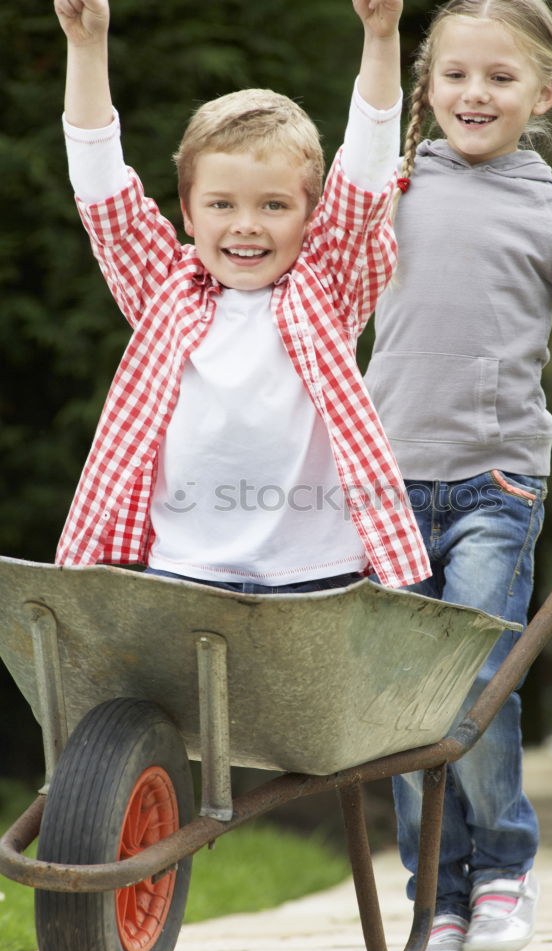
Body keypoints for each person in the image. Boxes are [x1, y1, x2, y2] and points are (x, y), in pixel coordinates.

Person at [363, 0, 552, 951]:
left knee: (478, 682)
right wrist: (376, 35)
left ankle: (504, 869)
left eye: (499, 77)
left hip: (497, 484)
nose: (474, 94)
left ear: (543, 94)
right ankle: (435, 897)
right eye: (455, 75)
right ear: (427, 85)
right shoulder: (386, 191)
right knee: (408, 701)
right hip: (388, 485)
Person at [52, 0, 430, 593]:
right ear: (188, 214)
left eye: (274, 206)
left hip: (315, 574)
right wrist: (85, 47)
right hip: (183, 567)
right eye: (222, 204)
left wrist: (381, 39)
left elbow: (365, 181)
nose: (246, 225)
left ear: (311, 216)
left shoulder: (323, 286)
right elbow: (104, 199)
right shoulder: (166, 291)